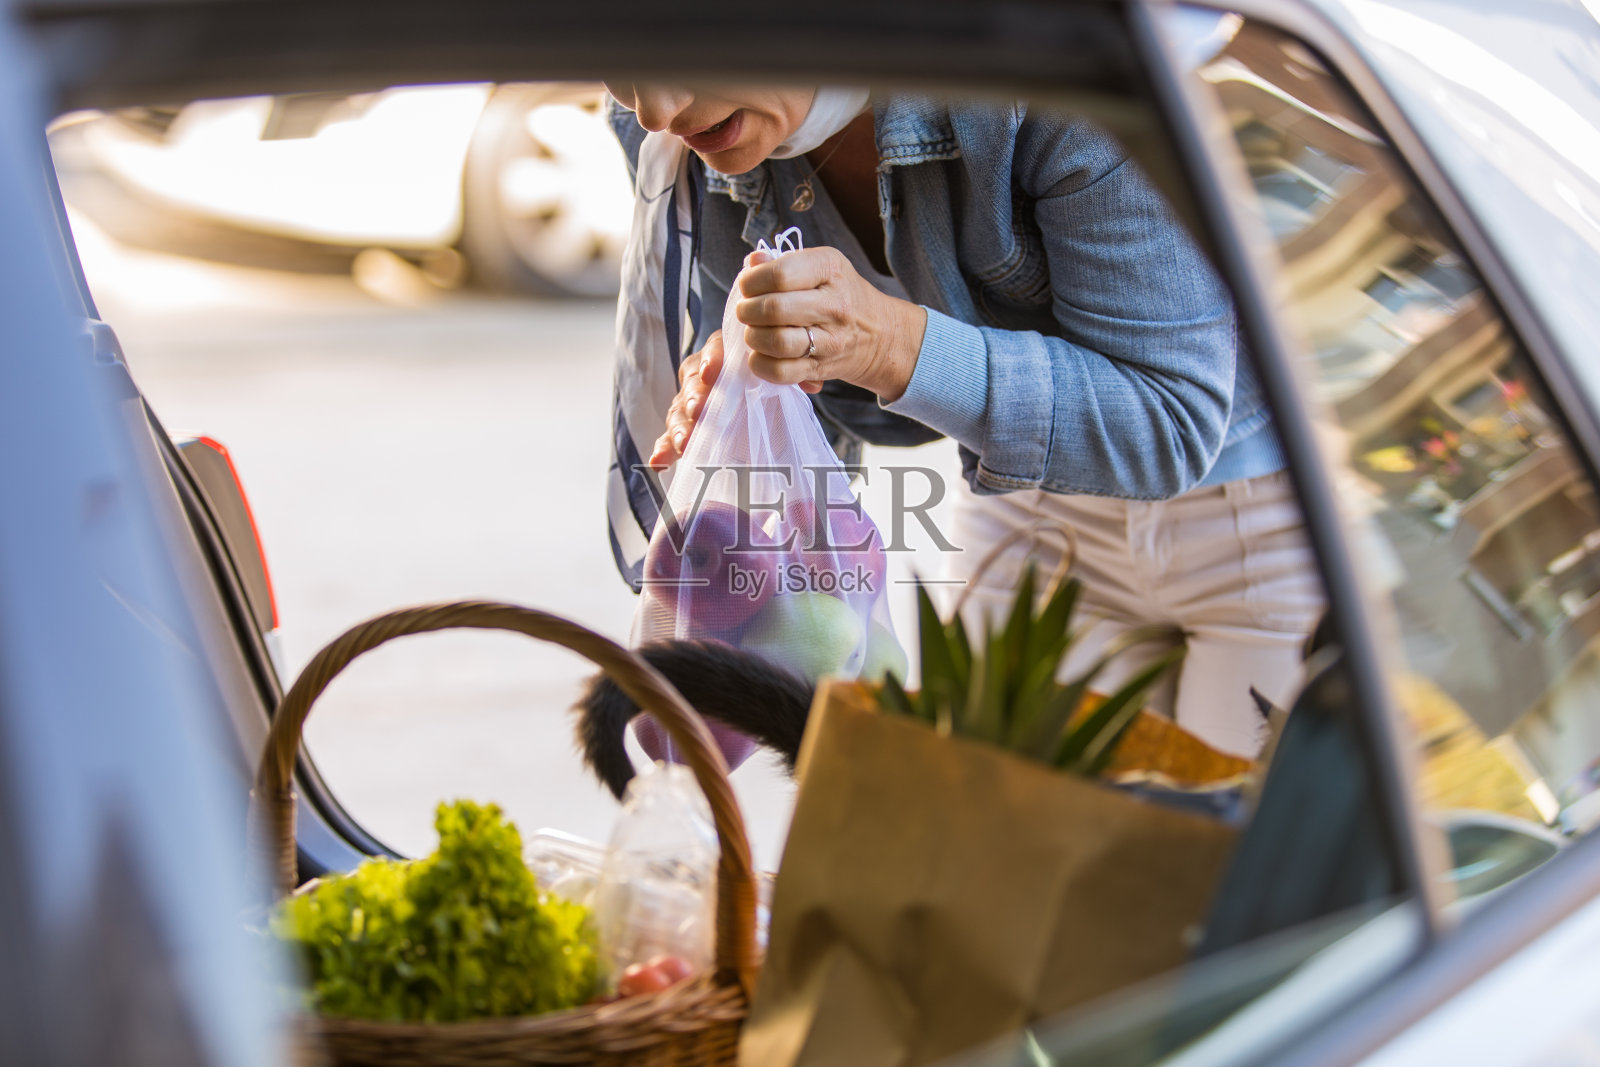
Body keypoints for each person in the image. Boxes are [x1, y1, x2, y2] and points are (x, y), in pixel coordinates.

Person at [604, 84, 1323, 757]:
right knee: (1008, 852)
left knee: (1237, 867)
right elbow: (848, 417)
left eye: (688, 36)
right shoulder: (677, 125)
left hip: (1251, 516)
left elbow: (1168, 419)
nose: (658, 108)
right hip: (1029, 501)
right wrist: (754, 392)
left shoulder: (1033, 83)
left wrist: (887, 342)